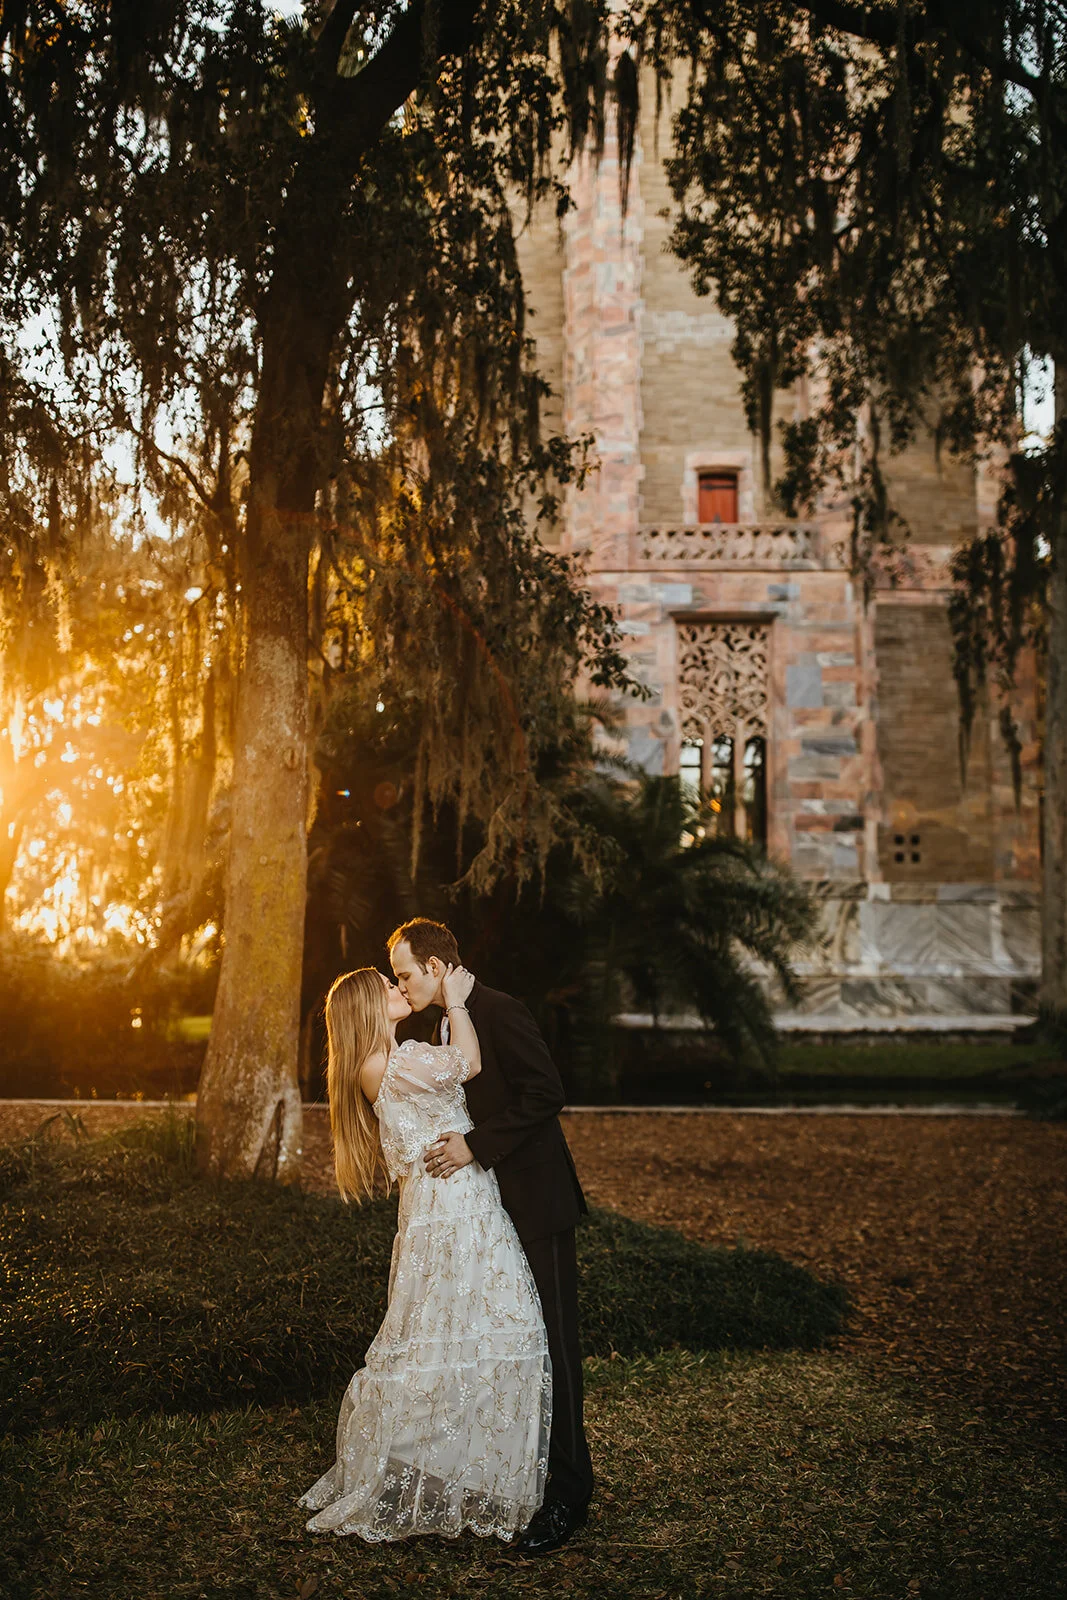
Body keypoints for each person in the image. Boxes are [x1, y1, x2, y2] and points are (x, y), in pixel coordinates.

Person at [298, 963, 551, 1543]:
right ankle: (475, 1472)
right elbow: (471, 1064)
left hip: (434, 1211)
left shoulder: (383, 1064)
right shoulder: (396, 1062)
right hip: (458, 1206)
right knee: (502, 1327)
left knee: (446, 1330)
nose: (397, 988)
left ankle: (452, 1467)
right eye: (386, 986)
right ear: (368, 1005)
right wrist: (458, 1003)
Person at [389, 917, 594, 1557]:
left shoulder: (499, 1010)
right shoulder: (446, 1025)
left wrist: (475, 1147)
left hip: (538, 1202)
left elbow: (547, 1092)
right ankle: (515, 1474)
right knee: (518, 1344)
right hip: (487, 1217)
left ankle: (568, 1497)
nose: (402, 984)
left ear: (439, 967)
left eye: (405, 974)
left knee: (556, 1346)